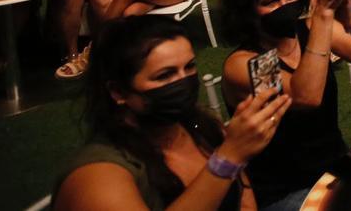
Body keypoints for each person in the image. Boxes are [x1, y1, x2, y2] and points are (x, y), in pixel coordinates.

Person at [53, 16, 290, 211]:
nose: (183, 81)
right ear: (118, 91)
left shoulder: (202, 127)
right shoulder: (97, 177)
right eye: (164, 76)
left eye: (189, 67)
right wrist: (229, 157)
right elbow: (230, 164)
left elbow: (243, 195)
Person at [221, 0, 351, 210]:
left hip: (335, 165)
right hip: (285, 189)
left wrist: (349, 20)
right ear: (248, 12)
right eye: (270, 1)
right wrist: (324, 13)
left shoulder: (312, 29)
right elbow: (307, 97)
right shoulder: (245, 62)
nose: (284, 5)